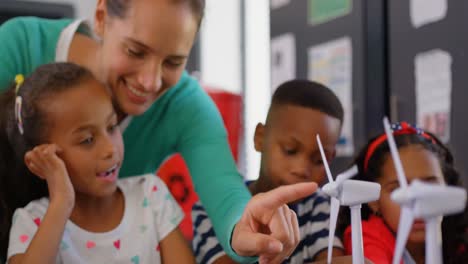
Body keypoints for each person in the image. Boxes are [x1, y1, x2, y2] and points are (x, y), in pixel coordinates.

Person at [0, 1, 317, 262]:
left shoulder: (185, 108)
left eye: (173, 62)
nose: (150, 82)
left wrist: (248, 225)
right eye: (136, 52)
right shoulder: (21, 45)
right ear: (101, 17)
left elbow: (224, 190)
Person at [1, 63, 195, 263]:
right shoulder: (32, 222)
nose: (110, 149)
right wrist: (62, 202)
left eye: (112, 127)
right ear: (43, 158)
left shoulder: (151, 196)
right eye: (87, 140)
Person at [192, 80, 346, 263]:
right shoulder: (212, 208)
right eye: (290, 150)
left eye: (319, 160)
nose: (302, 170)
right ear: (260, 138)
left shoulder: (319, 206)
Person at [337, 122, 468, 264]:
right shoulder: (364, 238)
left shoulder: (459, 232)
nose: (418, 199)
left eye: (430, 185)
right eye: (398, 188)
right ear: (374, 200)